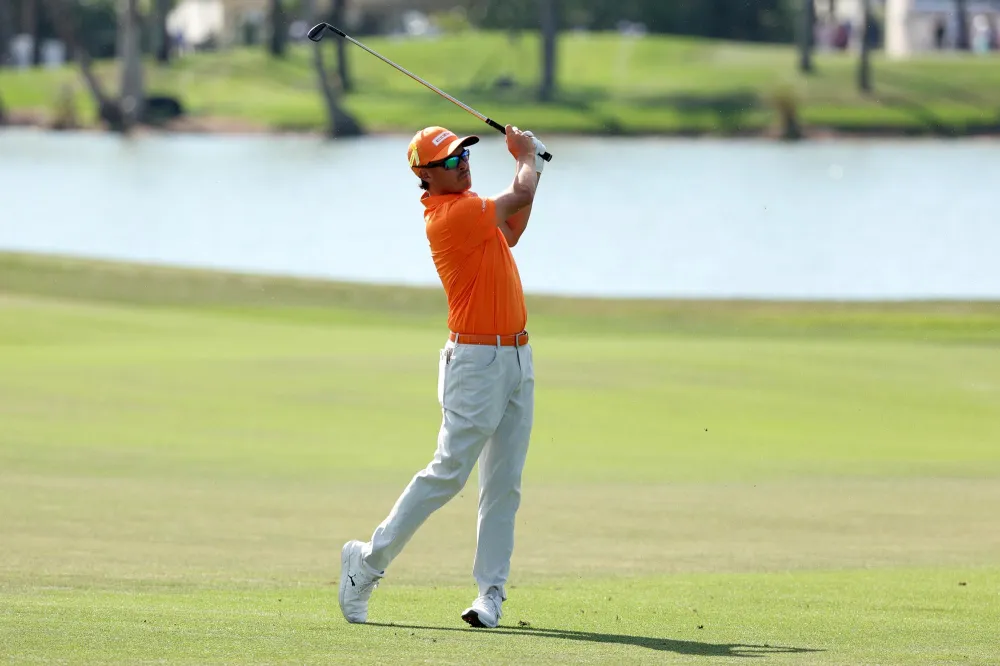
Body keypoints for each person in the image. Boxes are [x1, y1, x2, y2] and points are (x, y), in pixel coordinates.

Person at [337, 124, 547, 629]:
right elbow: (520, 191)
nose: (462, 163)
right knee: (448, 473)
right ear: (426, 175)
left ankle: (489, 594)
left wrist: (531, 165)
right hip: (474, 364)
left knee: (503, 485)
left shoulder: (473, 206)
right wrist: (528, 158)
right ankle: (366, 564)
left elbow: (514, 229)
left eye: (463, 154)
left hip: (517, 357)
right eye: (450, 160)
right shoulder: (450, 215)